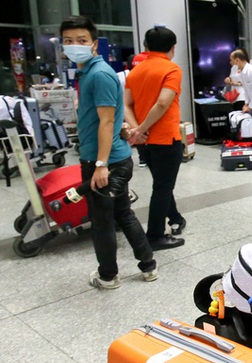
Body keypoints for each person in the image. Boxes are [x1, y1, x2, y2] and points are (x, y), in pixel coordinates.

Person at [59, 15, 157, 289]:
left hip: (104, 161)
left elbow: (106, 120)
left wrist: (101, 164)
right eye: (68, 41)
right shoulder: (90, 72)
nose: (74, 45)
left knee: (101, 222)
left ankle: (108, 275)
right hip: (115, 156)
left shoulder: (98, 74)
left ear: (93, 44)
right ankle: (148, 266)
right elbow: (111, 117)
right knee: (123, 213)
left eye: (81, 40)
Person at [124, 26, 186, 250]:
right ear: (173, 47)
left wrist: (137, 130)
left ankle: (176, 218)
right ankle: (155, 236)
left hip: (145, 142)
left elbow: (126, 104)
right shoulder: (172, 69)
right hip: (166, 138)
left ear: (146, 47)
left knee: (161, 183)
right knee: (162, 187)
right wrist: (142, 127)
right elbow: (162, 103)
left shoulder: (135, 72)